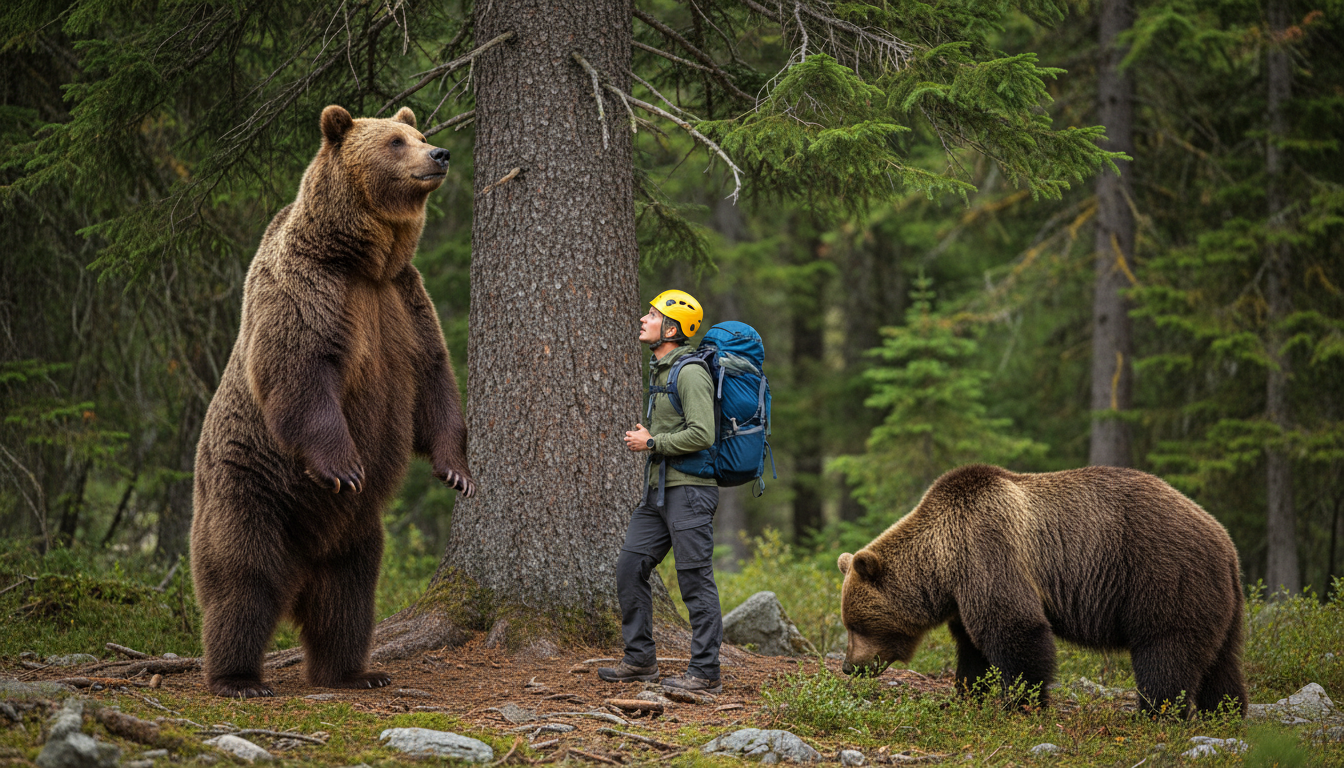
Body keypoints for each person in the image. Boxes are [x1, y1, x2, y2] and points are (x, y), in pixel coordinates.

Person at [598, 290, 723, 693]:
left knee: (694, 580)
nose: (643, 319)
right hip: (658, 493)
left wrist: (653, 443)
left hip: (690, 493)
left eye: (652, 315)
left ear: (671, 329)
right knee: (629, 568)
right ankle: (640, 661)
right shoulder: (660, 370)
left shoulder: (689, 372)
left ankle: (705, 673)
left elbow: (704, 433)